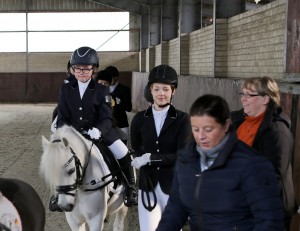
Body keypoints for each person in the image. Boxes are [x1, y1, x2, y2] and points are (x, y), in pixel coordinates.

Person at [156, 94, 284, 231]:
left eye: (208, 129)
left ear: (226, 125)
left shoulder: (251, 165)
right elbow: (176, 206)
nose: (201, 136)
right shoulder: (186, 161)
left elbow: (269, 220)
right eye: (196, 129)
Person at [51, 46, 137, 211]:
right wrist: (64, 133)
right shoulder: (66, 89)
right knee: (57, 156)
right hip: (74, 135)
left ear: (94, 69)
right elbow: (62, 115)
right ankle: (58, 194)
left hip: (100, 133)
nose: (81, 72)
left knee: (123, 152)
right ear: (72, 69)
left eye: (86, 68)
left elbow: (106, 117)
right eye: (77, 68)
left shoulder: (102, 90)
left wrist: (98, 130)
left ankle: (130, 187)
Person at [130, 65, 192, 231]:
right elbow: (137, 147)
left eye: (165, 89)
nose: (161, 94)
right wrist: (142, 157)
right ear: (150, 90)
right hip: (148, 186)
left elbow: (182, 155)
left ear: (173, 91)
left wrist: (151, 158)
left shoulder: (183, 119)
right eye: (156, 89)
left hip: (172, 186)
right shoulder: (139, 120)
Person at [231, 76, 296, 229]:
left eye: (249, 95)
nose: (243, 99)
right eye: (243, 94)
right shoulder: (238, 122)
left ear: (265, 99)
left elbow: (271, 175)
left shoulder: (277, 132)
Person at [105, 65, 132, 144]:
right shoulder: (103, 89)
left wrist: (119, 103)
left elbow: (129, 108)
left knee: (123, 148)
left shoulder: (124, 89)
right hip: (107, 125)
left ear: (115, 77)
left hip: (121, 123)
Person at [51, 60, 76, 132]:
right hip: (68, 105)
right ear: (69, 70)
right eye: (73, 68)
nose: (76, 70)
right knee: (57, 112)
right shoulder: (67, 82)